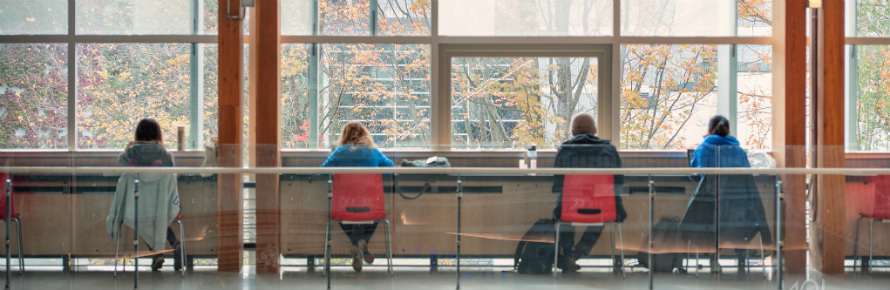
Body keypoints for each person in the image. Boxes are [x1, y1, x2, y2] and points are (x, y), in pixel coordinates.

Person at [682, 115, 771, 273]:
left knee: (708, 217)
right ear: (728, 131)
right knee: (731, 219)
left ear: (709, 131)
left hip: (710, 208)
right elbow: (746, 177)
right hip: (738, 210)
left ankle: (713, 259)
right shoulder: (739, 152)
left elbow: (694, 170)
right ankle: (741, 256)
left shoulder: (701, 149)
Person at [552, 113, 627, 273]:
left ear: (572, 132)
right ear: (594, 130)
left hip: (570, 208)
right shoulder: (609, 150)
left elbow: (558, 185)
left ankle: (567, 255)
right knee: (603, 214)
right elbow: (619, 182)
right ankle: (575, 254)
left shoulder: (565, 150)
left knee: (564, 216)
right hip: (603, 209)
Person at [107, 118, 183, 272]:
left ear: (138, 133)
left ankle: (156, 254)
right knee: (159, 218)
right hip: (159, 205)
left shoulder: (131, 152)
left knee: (138, 218)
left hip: (137, 206)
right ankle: (174, 244)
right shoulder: (165, 154)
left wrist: (130, 146)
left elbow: (120, 160)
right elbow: (172, 174)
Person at [321, 121, 395, 272]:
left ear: (345, 135)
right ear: (365, 135)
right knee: (374, 215)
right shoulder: (373, 151)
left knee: (342, 215)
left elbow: (323, 171)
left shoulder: (339, 152)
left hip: (344, 207)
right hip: (371, 207)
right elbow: (390, 169)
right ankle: (362, 241)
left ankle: (355, 244)